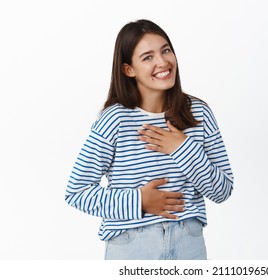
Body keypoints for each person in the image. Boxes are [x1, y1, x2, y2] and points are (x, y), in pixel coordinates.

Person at [65, 19, 234, 260]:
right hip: (132, 244)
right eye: (148, 57)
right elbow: (77, 192)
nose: (163, 62)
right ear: (129, 70)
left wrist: (182, 148)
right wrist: (140, 201)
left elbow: (222, 190)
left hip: (188, 242)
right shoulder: (115, 120)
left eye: (166, 50)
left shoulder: (199, 114)